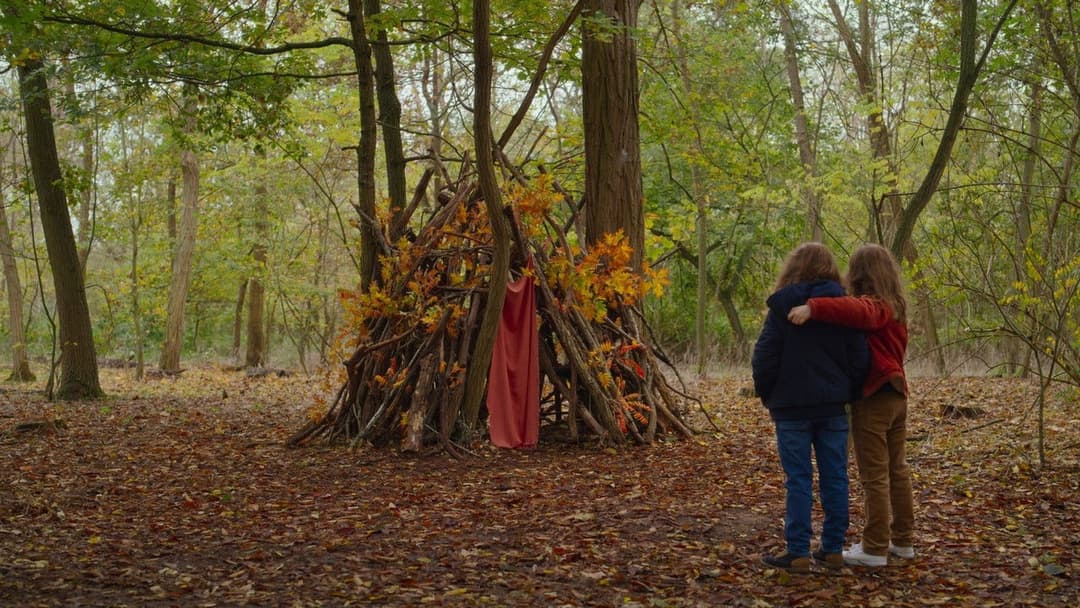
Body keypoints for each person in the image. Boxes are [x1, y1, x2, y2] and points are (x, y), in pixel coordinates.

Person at [788, 243, 914, 567]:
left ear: (860, 273)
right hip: (897, 395)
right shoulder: (896, 305)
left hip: (876, 397)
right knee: (896, 471)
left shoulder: (877, 306)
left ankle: (874, 548)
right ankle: (902, 542)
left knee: (875, 475)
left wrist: (813, 308)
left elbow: (858, 311)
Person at [752, 243, 868, 573]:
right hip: (832, 406)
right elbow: (859, 357)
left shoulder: (781, 308)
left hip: (791, 408)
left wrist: (768, 394)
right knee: (835, 476)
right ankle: (832, 549)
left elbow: (764, 356)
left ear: (793, 268)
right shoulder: (843, 308)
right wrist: (851, 392)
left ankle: (799, 551)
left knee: (798, 479)